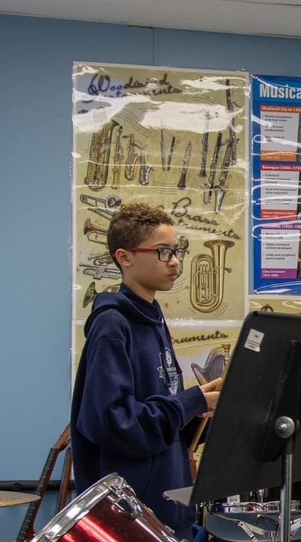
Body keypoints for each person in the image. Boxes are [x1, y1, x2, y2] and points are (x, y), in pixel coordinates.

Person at [71, 203, 223, 541]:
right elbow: (113, 422)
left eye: (177, 250)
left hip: (168, 508)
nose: (175, 261)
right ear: (124, 258)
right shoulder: (113, 324)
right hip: (132, 517)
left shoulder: (152, 315)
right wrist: (188, 403)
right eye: (162, 251)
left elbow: (159, 404)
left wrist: (201, 407)